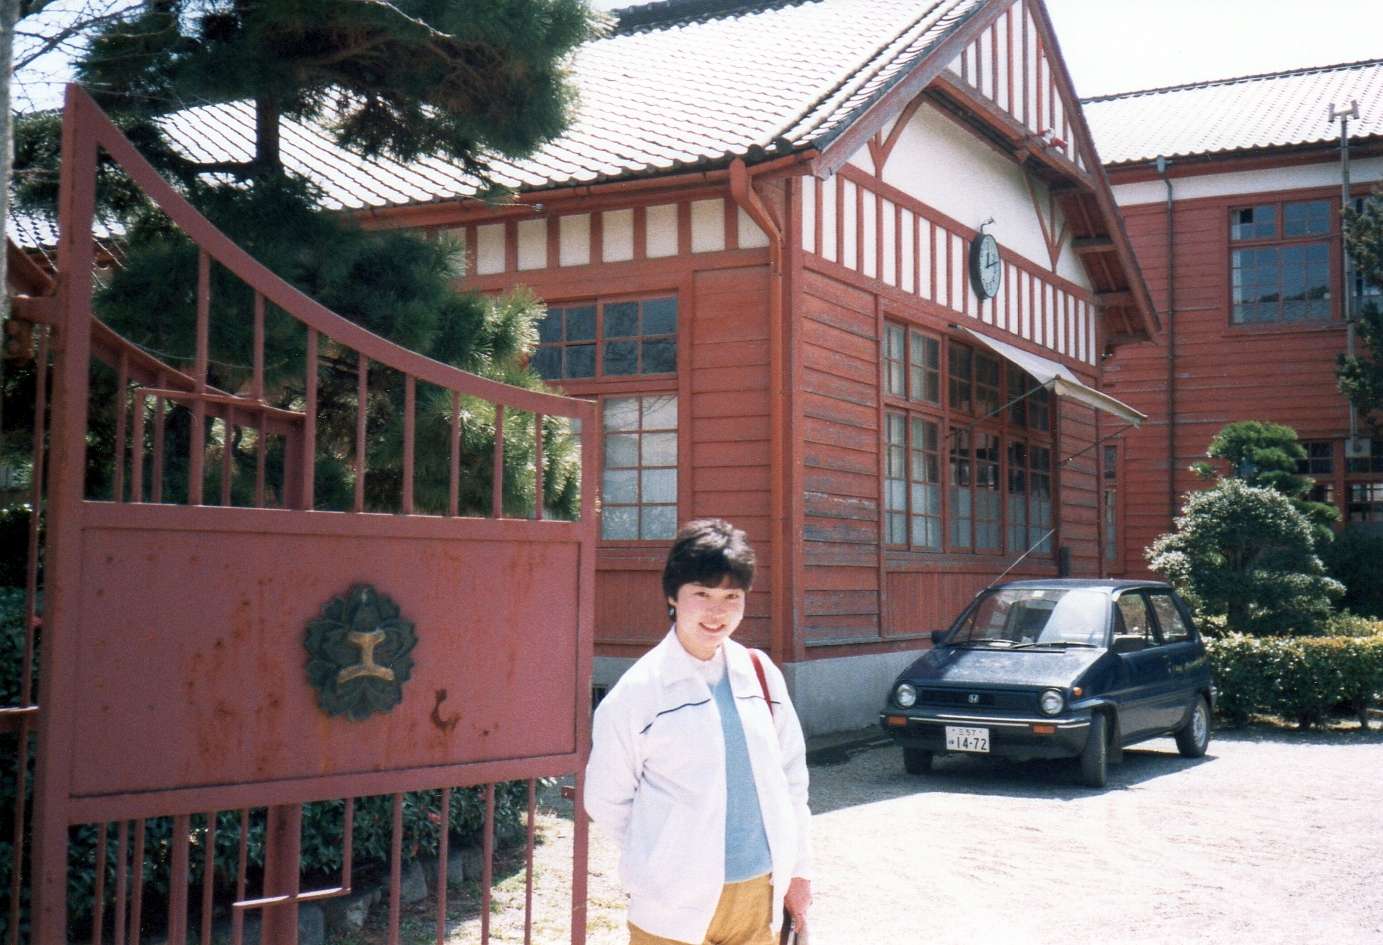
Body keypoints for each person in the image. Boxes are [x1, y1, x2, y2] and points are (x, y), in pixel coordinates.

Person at [585, 518, 813, 945]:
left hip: (757, 897)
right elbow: (606, 798)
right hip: (670, 910)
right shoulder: (637, 693)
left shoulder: (761, 675)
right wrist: (661, 863)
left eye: (731, 596)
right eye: (702, 594)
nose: (717, 612)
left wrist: (798, 871)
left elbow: (792, 783)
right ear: (673, 595)